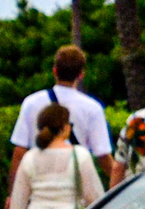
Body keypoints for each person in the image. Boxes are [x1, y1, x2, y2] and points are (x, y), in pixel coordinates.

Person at [4, 100, 105, 209]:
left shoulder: (30, 157)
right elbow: (95, 196)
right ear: (64, 127)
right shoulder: (80, 156)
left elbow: (19, 199)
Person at [8, 44, 112, 185]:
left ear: (55, 71)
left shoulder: (31, 102)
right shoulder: (92, 108)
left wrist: (11, 195)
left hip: (38, 185)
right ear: (81, 75)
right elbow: (103, 156)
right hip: (74, 186)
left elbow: (19, 153)